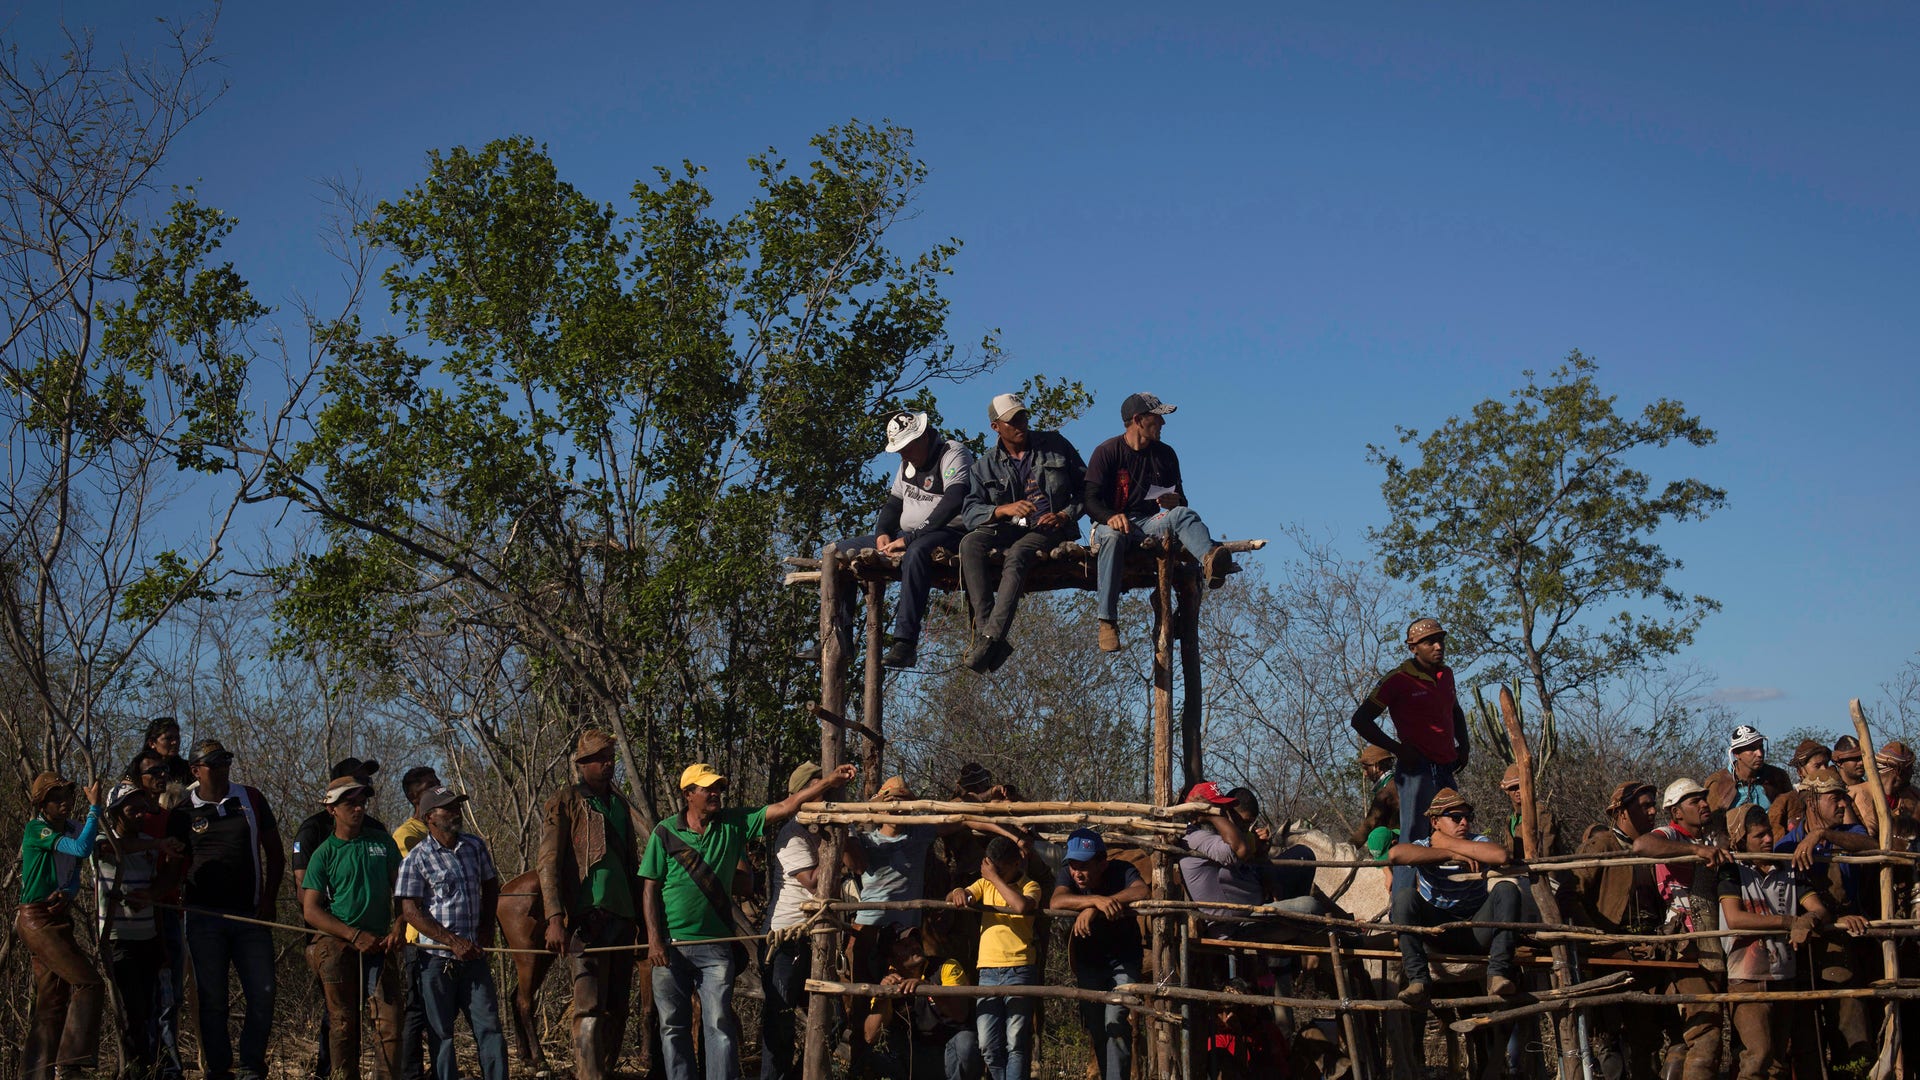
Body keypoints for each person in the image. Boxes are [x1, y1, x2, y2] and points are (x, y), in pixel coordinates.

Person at [640, 760, 858, 1080]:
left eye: (718, 788)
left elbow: (786, 806)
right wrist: (655, 940)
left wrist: (828, 781)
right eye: (708, 788)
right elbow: (649, 888)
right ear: (688, 794)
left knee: (718, 1025)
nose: (716, 793)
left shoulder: (733, 823)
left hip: (716, 947)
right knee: (673, 1026)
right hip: (671, 946)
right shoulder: (664, 832)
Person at [164, 739, 285, 1080]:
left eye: (226, 759)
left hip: (250, 915)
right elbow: (174, 865)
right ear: (195, 769)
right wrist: (166, 890)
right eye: (213, 762)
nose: (221, 767)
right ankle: (219, 1069)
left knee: (263, 992)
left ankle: (251, 1067)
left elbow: (276, 855)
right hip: (203, 919)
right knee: (211, 998)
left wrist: (269, 899)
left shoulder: (251, 798)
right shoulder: (182, 812)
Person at [820, 410, 976, 669]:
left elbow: (953, 501)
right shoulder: (907, 464)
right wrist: (882, 532)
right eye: (899, 448)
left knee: (916, 553)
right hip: (908, 535)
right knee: (838, 552)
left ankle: (905, 643)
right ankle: (840, 635)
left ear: (923, 437)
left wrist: (912, 538)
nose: (902, 453)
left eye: (906, 446)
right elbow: (893, 504)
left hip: (949, 532)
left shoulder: (953, 454)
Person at [1082, 392, 1236, 652]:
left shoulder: (1166, 454)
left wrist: (1175, 501)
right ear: (1138, 420)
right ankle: (1107, 621)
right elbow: (1088, 499)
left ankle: (1211, 560)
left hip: (1150, 523)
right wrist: (1110, 516)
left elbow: (1182, 501)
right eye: (1158, 418)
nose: (1163, 424)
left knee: (1183, 515)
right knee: (1112, 536)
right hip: (1109, 525)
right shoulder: (1107, 451)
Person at [537, 729, 649, 1080]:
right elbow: (548, 862)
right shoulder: (564, 800)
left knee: (617, 1007)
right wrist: (555, 917)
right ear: (582, 764)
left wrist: (643, 921)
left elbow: (633, 866)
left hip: (622, 917)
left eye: (609, 757)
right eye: (599, 758)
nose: (606, 764)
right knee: (588, 1006)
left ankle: (606, 1070)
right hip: (587, 919)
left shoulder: (619, 805)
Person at [1719, 803, 1860, 1080]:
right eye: (1759, 836)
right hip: (1746, 977)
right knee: (1757, 1055)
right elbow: (1735, 918)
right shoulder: (1730, 870)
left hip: (1784, 973)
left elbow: (1818, 908)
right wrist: (1789, 922)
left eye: (1769, 833)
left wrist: (1809, 920)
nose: (1769, 840)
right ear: (1741, 839)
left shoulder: (1789, 868)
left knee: (1777, 1060)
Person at [957, 393, 1086, 674]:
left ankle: (990, 638)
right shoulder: (984, 465)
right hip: (1008, 528)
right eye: (1012, 420)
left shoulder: (1055, 444)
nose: (1020, 424)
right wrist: (1004, 510)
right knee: (970, 544)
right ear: (996, 427)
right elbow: (970, 513)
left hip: (1050, 528)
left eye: (1023, 416)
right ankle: (988, 635)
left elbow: (1087, 489)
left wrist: (1065, 514)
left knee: (1017, 555)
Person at [395, 785, 508, 1080]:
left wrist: (486, 926)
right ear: (430, 816)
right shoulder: (416, 859)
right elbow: (410, 911)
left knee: (490, 1028)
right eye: (449, 808)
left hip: (474, 957)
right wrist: (452, 941)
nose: (456, 813)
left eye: (457, 806)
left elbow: (491, 884)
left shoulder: (474, 846)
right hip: (435, 960)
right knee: (441, 1034)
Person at [1350, 618, 1470, 886]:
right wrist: (1398, 749)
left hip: (1446, 767)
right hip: (1416, 770)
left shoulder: (1446, 675)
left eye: (1441, 640)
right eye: (1430, 642)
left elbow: (1455, 710)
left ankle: (1447, 891)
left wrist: (1464, 746)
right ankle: (1404, 899)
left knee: (1451, 829)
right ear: (1413, 647)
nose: (1438, 646)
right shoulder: (1398, 680)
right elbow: (1360, 719)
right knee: (1415, 835)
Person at [300, 775, 405, 1080]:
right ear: (331, 808)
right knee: (343, 1022)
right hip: (338, 943)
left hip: (379, 943)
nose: (358, 809)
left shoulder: (382, 843)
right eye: (350, 803)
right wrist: (353, 935)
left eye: (361, 802)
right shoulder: (324, 853)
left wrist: (399, 924)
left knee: (390, 1022)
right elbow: (311, 910)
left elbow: (402, 892)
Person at [762, 762, 862, 1080]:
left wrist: (842, 832)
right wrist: (834, 845)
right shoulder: (792, 834)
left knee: (834, 1019)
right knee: (780, 1021)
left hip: (818, 938)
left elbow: (860, 863)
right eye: (821, 791)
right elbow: (817, 882)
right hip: (787, 936)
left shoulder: (835, 829)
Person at [1386, 788, 1526, 1006]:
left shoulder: (1476, 841)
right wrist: (1450, 854)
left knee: (1507, 889)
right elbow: (1396, 854)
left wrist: (1450, 843)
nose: (1464, 823)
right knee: (1405, 897)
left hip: (1476, 929)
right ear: (1435, 822)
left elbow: (1500, 855)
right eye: (1455, 817)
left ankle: (1498, 973)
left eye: (1467, 817)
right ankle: (1418, 980)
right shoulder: (1424, 845)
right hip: (1437, 931)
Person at [1777, 767, 1875, 1066]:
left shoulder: (1849, 835)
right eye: (1835, 798)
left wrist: (1822, 834)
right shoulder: (1786, 846)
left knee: (1850, 1025)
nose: (1843, 804)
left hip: (1843, 942)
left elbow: (1873, 846)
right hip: (1801, 946)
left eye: (1843, 798)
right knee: (1807, 1039)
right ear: (1812, 801)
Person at [1630, 778, 1727, 1080]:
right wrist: (1695, 850)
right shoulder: (1670, 834)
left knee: (1694, 1031)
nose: (1703, 804)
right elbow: (1642, 844)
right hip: (1686, 944)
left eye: (1703, 798)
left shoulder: (1712, 838)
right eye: (1694, 801)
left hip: (1714, 940)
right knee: (1705, 1029)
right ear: (1676, 812)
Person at [1572, 781, 1663, 1080]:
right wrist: (1600, 938)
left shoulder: (1656, 845)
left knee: (1647, 1035)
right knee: (1611, 1032)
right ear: (1622, 812)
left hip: (1652, 949)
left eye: (1654, 804)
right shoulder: (1603, 845)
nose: (1653, 811)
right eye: (1645, 805)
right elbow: (1571, 895)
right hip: (1611, 950)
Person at [18, 771, 105, 1080]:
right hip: (36, 920)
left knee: (51, 1003)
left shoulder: (70, 828)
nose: (64, 802)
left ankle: (35, 1074)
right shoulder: (36, 830)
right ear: (42, 804)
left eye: (67, 795)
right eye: (56, 798)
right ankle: (71, 1065)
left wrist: (69, 892)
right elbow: (81, 848)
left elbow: (86, 853)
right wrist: (96, 808)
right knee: (89, 982)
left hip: (57, 916)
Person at [96, 778, 184, 1080]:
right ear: (116, 811)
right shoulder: (101, 840)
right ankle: (131, 1069)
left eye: (141, 805)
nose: (138, 811)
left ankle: (149, 1068)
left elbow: (163, 884)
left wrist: (170, 863)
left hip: (147, 939)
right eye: (131, 805)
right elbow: (116, 848)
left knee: (149, 1010)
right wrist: (158, 843)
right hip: (119, 942)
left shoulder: (149, 843)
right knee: (129, 1012)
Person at [1046, 830, 1146, 1080]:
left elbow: (1142, 891)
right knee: (1097, 1028)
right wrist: (1095, 902)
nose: (1077, 872)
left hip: (1123, 960)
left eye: (1085, 865)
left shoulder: (1121, 870)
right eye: (1073, 865)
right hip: (1089, 962)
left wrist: (1099, 904)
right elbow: (1056, 902)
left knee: (1116, 1021)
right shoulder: (1069, 875)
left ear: (1102, 863)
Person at [1177, 782, 1324, 942]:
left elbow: (1254, 865)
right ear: (1200, 813)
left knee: (1303, 853)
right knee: (1310, 906)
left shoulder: (1220, 838)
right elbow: (1241, 849)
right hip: (1237, 925)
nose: (1223, 814)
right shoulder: (1196, 838)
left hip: (1255, 909)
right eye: (1218, 809)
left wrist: (1262, 854)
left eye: (1223, 810)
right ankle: (1292, 951)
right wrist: (1212, 814)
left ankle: (1302, 936)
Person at [946, 836, 1042, 1080]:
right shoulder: (983, 885)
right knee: (988, 1044)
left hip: (1019, 969)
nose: (994, 873)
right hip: (988, 971)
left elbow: (1020, 906)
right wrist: (958, 892)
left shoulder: (1031, 886)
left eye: (1000, 869)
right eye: (992, 868)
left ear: (1016, 863)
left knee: (1016, 1042)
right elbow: (961, 894)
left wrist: (995, 878)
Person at [121, 747, 189, 1080]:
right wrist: (157, 846)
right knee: (137, 1003)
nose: (161, 778)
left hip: (168, 911)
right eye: (153, 773)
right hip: (128, 926)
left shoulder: (170, 817)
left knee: (168, 996)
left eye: (164, 772)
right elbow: (110, 847)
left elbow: (175, 868)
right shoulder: (125, 821)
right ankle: (141, 1066)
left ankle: (167, 1068)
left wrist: (158, 889)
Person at [862, 925, 985, 1080]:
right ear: (891, 959)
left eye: (914, 941)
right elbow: (870, 1036)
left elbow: (960, 1014)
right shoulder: (888, 981)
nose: (914, 946)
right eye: (905, 945)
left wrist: (929, 989)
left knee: (966, 1042)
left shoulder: (946, 967)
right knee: (879, 1050)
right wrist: (884, 997)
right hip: (916, 1056)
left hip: (949, 1054)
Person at [390, 765, 443, 1080]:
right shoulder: (407, 835)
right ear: (414, 797)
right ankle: (410, 1073)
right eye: (430, 787)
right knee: (417, 1010)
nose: (439, 791)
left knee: (443, 1011)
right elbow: (413, 885)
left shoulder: (449, 829)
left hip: (452, 933)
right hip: (419, 936)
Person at [1203, 979, 1290, 1080]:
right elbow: (1240, 1069)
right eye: (1247, 1004)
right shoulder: (1219, 1039)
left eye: (1254, 1002)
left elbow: (1286, 1061)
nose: (1253, 1006)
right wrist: (1238, 1033)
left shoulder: (1269, 1029)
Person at [1704, 725, 1793, 823]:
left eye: (1761, 747)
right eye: (1752, 749)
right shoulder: (1717, 783)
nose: (1759, 753)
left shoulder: (1778, 777)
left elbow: (1793, 812)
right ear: (1736, 754)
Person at [1849, 739, 1920, 838]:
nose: (1912, 772)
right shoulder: (1853, 795)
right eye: (1909, 768)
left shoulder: (1915, 797)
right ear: (1898, 771)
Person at [1351, 745, 1399, 862]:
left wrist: (1349, 846)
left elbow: (1370, 824)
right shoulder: (1396, 783)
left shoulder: (1386, 791)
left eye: (1365, 768)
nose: (1365, 774)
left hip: (1396, 847)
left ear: (1377, 766)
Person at [143, 715, 191, 789]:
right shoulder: (139, 769)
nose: (175, 742)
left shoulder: (188, 770)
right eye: (168, 738)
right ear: (152, 743)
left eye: (177, 738)